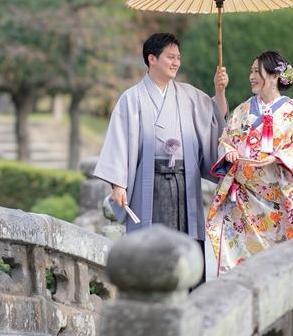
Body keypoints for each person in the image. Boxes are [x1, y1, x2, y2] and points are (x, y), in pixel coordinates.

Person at [94, 33, 229, 263]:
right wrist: (118, 185)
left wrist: (219, 90)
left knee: (186, 244)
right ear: (152, 59)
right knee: (150, 245)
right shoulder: (132, 98)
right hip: (150, 183)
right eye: (170, 57)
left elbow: (216, 118)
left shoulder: (188, 95)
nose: (176, 62)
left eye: (178, 57)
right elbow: (118, 140)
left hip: (184, 182)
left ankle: (186, 292)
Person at [206, 50, 293, 275]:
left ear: (275, 76)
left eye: (257, 71)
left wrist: (277, 158)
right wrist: (229, 152)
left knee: (278, 266)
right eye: (251, 71)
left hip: (276, 199)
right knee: (239, 265)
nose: (251, 76)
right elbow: (226, 139)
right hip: (243, 202)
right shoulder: (244, 110)